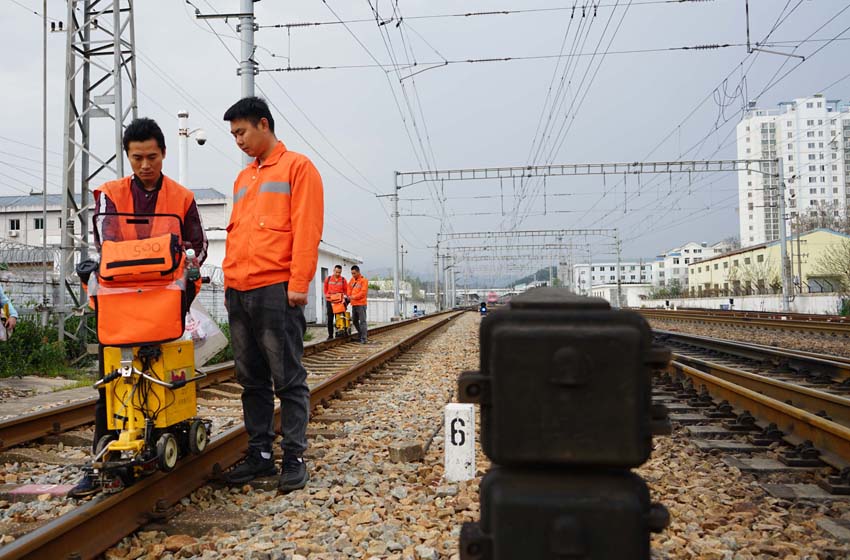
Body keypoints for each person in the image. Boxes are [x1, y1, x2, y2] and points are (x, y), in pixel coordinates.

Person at [69, 117, 208, 499]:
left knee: (165, 375)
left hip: (165, 303)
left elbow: (198, 245)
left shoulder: (182, 197)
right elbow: (106, 241)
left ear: (163, 153)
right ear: (128, 157)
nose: (145, 165)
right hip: (121, 306)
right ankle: (101, 458)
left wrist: (184, 265)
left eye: (151, 156)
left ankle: (162, 438)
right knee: (110, 386)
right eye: (136, 158)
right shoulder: (110, 194)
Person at [221, 97, 323, 492]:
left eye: (241, 132)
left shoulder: (298, 167)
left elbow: (307, 228)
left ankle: (294, 457)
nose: (238, 141)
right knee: (251, 381)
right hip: (239, 289)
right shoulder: (243, 178)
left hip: (276, 289)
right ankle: (260, 455)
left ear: (263, 124)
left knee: (288, 379)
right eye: (233, 135)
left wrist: (298, 284)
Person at [323, 265, 348, 339]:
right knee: (330, 319)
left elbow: (346, 291)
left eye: (339, 272)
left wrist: (344, 298)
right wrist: (329, 296)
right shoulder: (328, 279)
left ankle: (339, 333)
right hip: (330, 301)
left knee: (339, 318)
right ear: (333, 270)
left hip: (339, 302)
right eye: (336, 272)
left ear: (341, 272)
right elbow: (325, 289)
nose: (337, 274)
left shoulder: (343, 280)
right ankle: (330, 335)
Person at [348, 265, 368, 344]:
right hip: (354, 304)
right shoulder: (352, 280)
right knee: (354, 320)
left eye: (354, 273)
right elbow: (349, 288)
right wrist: (349, 296)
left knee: (362, 321)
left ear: (358, 272)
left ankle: (364, 338)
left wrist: (353, 297)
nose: (353, 275)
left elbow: (363, 293)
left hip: (361, 304)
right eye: (352, 273)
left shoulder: (364, 281)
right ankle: (361, 334)